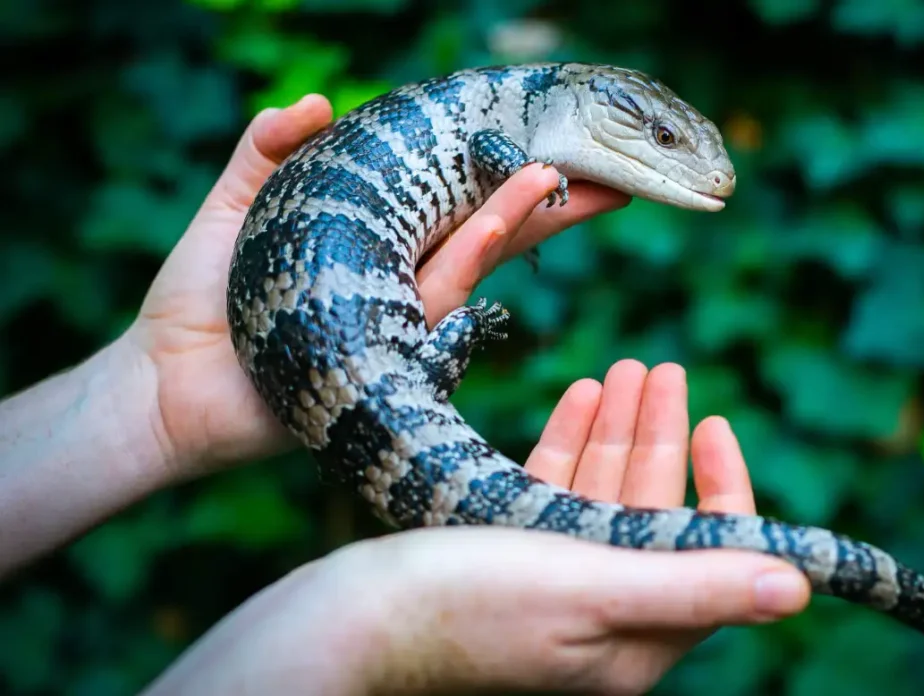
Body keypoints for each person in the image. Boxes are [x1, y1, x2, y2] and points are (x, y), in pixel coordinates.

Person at [0, 94, 810, 695]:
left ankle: (452, 342)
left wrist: (148, 399)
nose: (707, 168)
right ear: (595, 103)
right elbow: (493, 148)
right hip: (347, 342)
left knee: (416, 388)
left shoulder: (512, 117)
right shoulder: (511, 120)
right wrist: (384, 624)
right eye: (663, 138)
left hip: (335, 335)